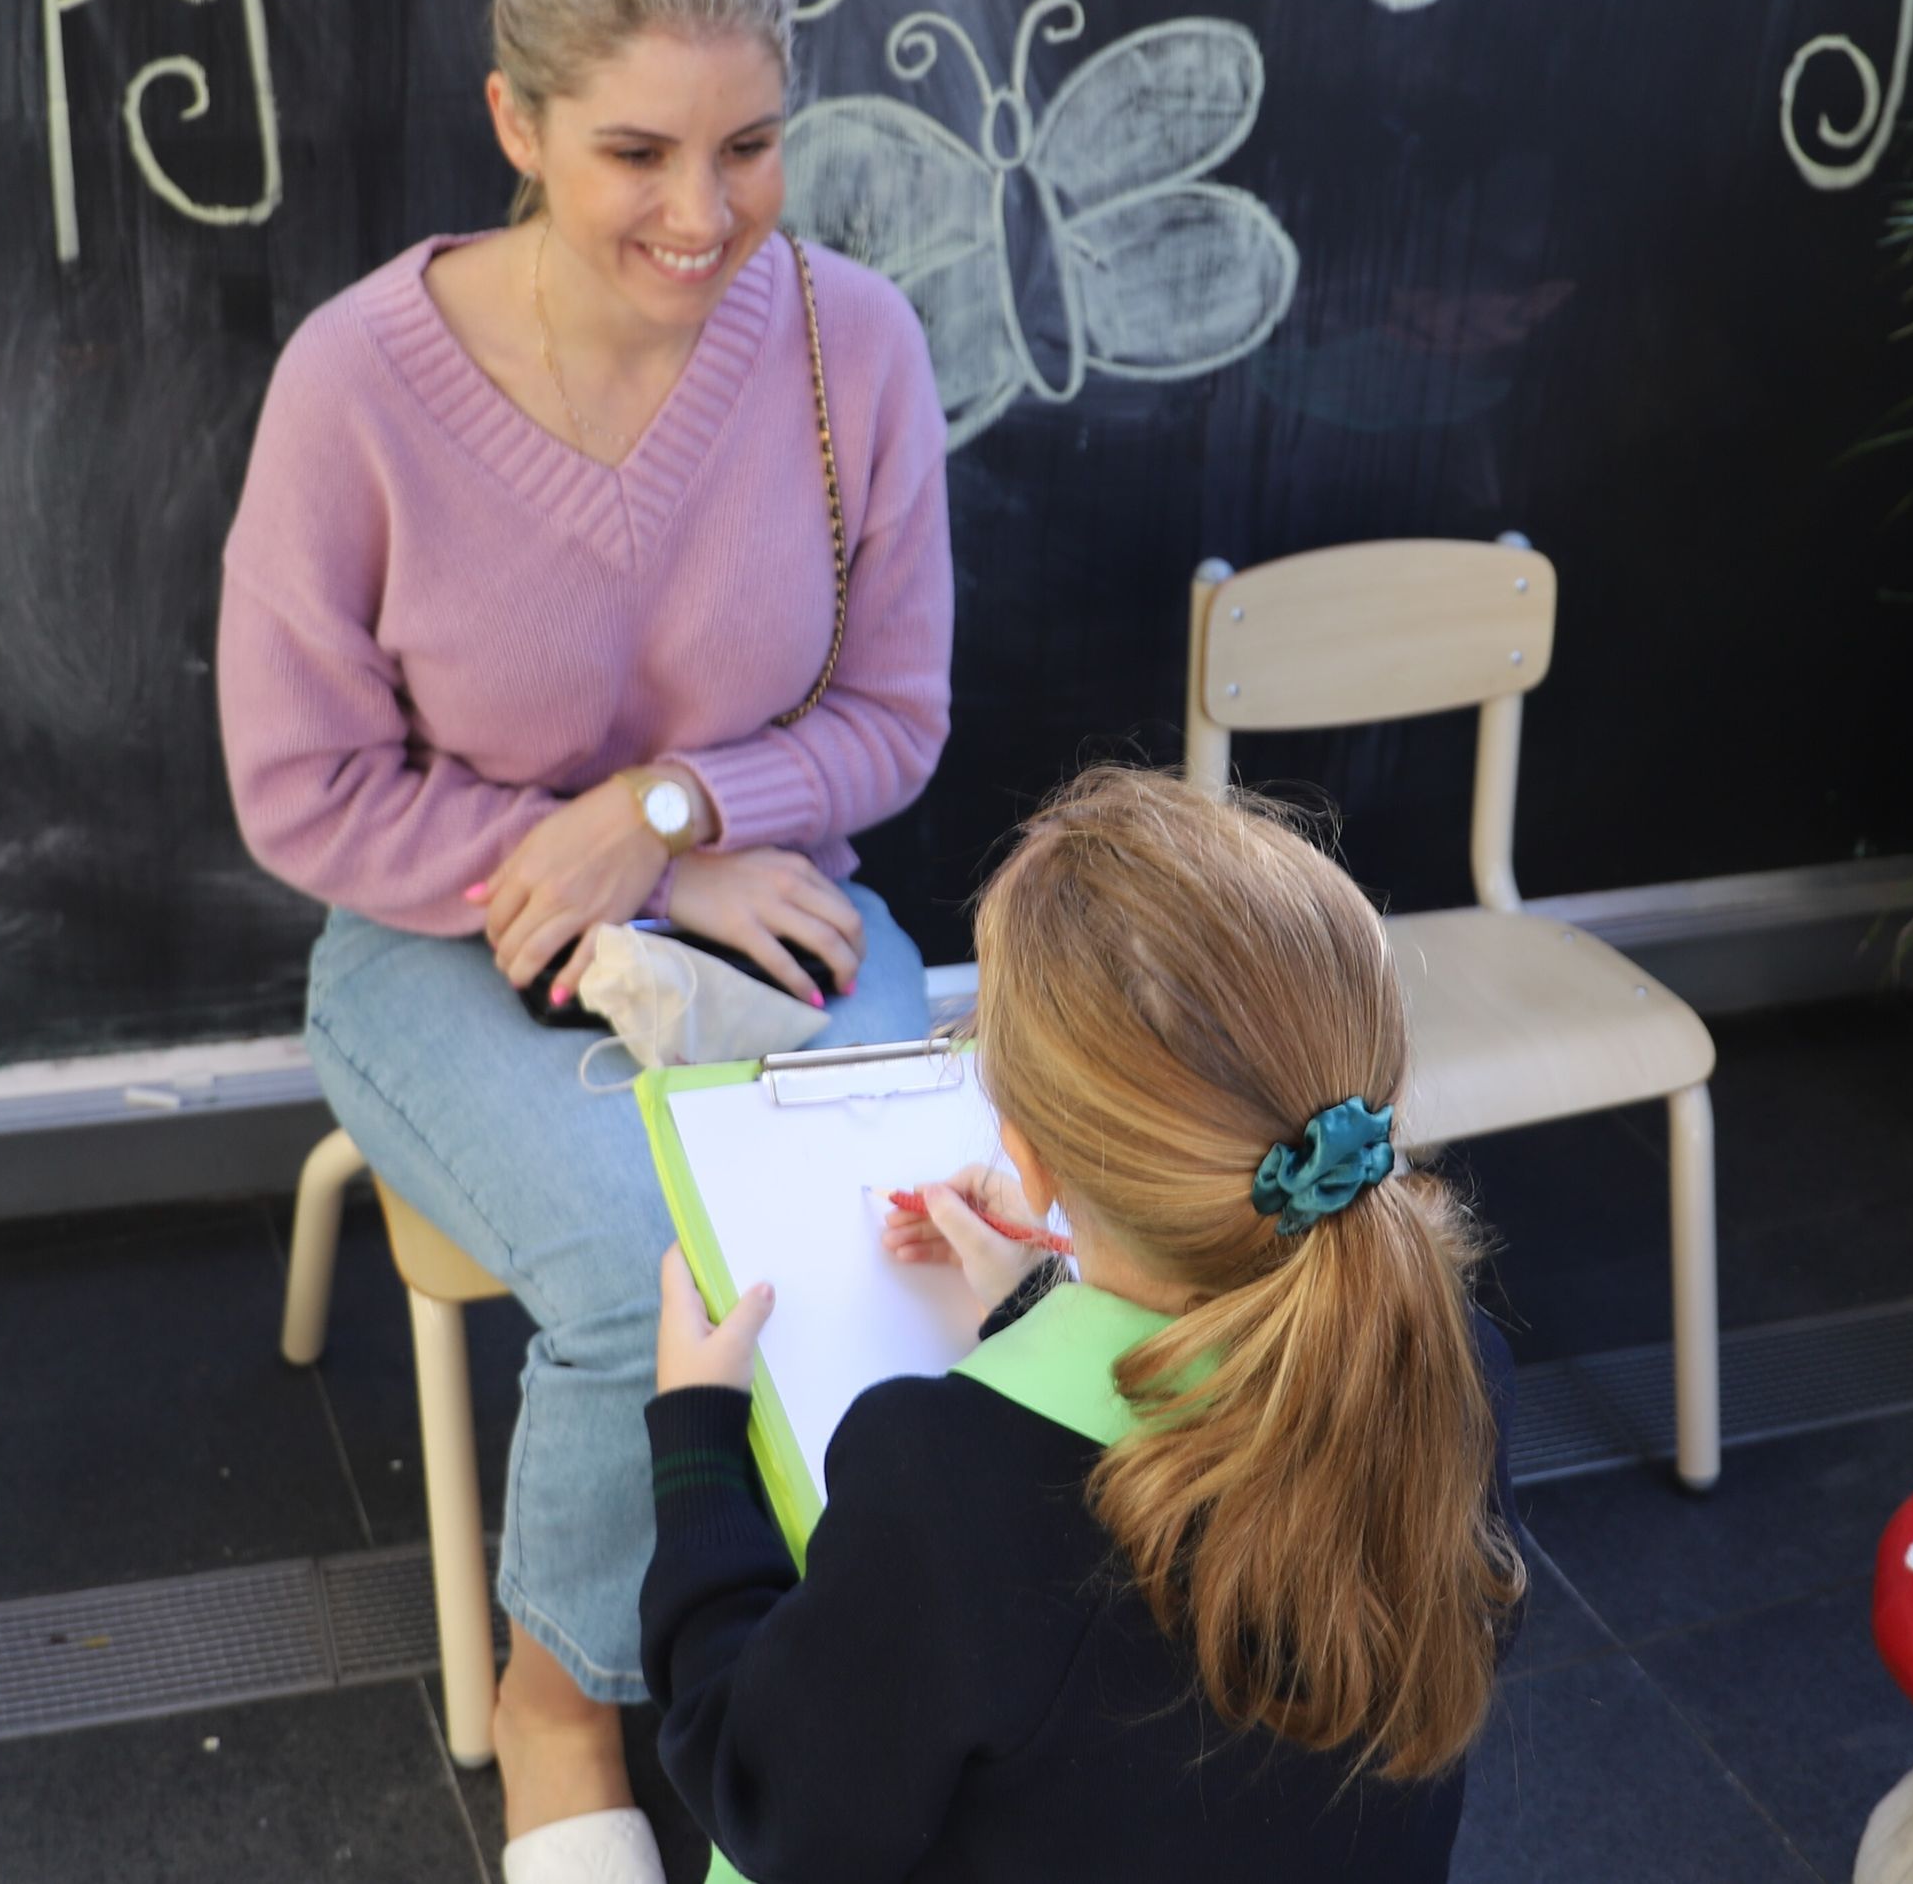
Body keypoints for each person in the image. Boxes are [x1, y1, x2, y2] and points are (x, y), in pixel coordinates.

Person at [215, 0, 953, 1884]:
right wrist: (596, 862)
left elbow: (894, 717)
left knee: (889, 1237)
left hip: (765, 900)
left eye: (749, 145)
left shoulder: (854, 346)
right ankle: (566, 1695)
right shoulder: (359, 381)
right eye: (637, 151)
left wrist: (675, 814)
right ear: (517, 124)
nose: (703, 212)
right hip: (437, 939)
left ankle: (835, 1645)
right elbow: (301, 788)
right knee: (658, 1269)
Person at [638, 763, 1525, 1884]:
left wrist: (697, 1442)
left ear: (1028, 1157)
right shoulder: (1449, 1361)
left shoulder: (942, 1482)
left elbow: (772, 1800)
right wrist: (1033, 1303)